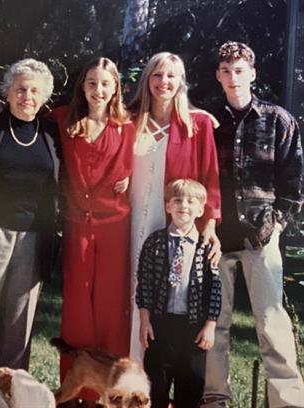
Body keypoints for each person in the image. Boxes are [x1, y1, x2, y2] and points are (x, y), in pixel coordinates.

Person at [202, 41, 304, 408]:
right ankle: (215, 397)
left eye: (239, 71)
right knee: (215, 323)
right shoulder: (207, 121)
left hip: (261, 237)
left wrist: (277, 223)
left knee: (271, 322)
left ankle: (287, 401)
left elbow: (294, 180)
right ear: (218, 76)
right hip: (216, 238)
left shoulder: (278, 120)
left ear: (252, 74)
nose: (233, 78)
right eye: (226, 71)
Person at [48, 57, 135, 407]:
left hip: (115, 225)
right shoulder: (64, 119)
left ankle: (108, 393)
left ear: (116, 87)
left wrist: (201, 115)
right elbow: (25, 111)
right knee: (77, 307)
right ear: (82, 87)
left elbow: (169, 119)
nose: (98, 90)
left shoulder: (128, 126)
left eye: (105, 83)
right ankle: (73, 392)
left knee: (112, 308)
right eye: (91, 83)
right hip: (77, 223)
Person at [127, 52, 222, 363]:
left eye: (171, 75)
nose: (163, 82)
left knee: (163, 294)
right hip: (130, 220)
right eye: (157, 75)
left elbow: (210, 177)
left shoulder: (197, 124)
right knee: (130, 291)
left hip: (171, 223)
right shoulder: (128, 120)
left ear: (181, 81)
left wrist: (210, 223)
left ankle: (154, 375)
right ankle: (126, 373)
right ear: (147, 80)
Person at [0, 58, 61, 370]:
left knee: (20, 318)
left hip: (34, 235)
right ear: (8, 92)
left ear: (44, 96)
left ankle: (10, 382)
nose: (27, 96)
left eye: (34, 91)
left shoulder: (52, 132)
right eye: (21, 89)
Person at [136, 178, 222, 408]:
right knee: (156, 388)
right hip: (160, 326)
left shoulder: (206, 247)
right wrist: (145, 320)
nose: (183, 205)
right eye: (177, 200)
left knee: (191, 387)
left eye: (191, 201)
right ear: (168, 206)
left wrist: (210, 325)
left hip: (193, 329)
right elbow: (144, 284)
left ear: (200, 210)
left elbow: (215, 290)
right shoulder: (154, 243)